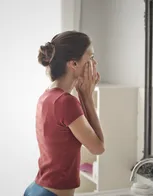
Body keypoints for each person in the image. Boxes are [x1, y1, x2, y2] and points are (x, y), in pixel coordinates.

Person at [24, 31, 105, 196]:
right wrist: (86, 97)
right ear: (73, 64)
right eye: (90, 57)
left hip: (37, 188)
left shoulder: (48, 95)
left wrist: (83, 95)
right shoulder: (66, 102)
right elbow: (98, 147)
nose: (94, 62)